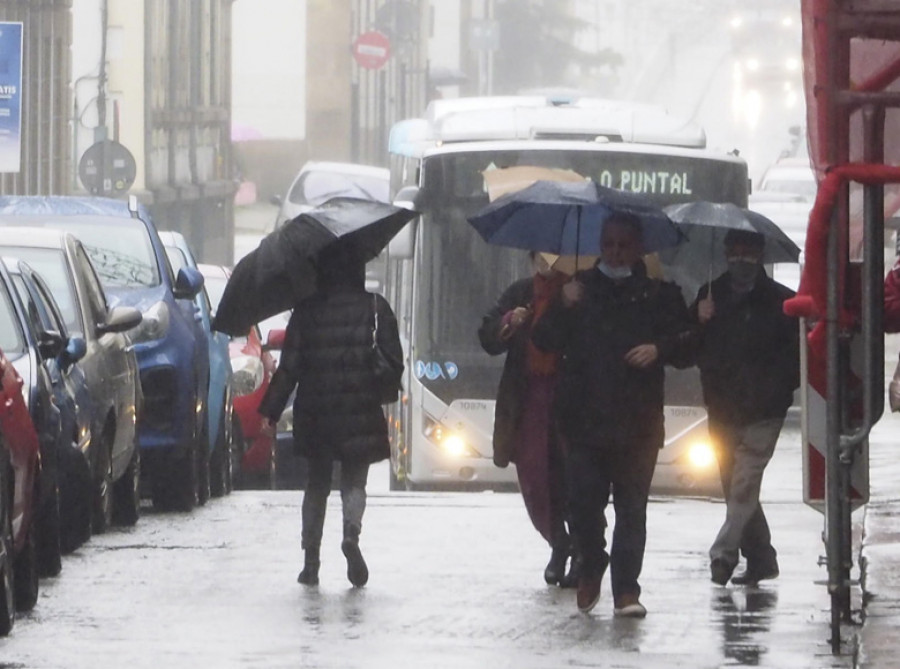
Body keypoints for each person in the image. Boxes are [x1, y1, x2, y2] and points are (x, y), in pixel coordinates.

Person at [532, 213, 693, 617]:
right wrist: (561, 305)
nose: (615, 253)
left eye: (623, 245)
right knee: (584, 504)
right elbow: (544, 338)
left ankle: (626, 590)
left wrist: (660, 348)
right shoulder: (579, 289)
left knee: (631, 509)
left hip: (637, 422)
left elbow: (687, 346)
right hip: (584, 421)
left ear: (637, 249)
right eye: (609, 245)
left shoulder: (658, 295)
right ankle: (591, 563)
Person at [258, 242, 403, 588]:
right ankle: (351, 534)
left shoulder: (306, 311)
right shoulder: (375, 307)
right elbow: (394, 360)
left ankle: (311, 561)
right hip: (361, 407)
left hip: (317, 410)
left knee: (317, 485)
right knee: (354, 481)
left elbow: (289, 367)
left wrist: (270, 410)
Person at [689, 229, 799, 587]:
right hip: (721, 407)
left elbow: (798, 358)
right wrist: (698, 321)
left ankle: (722, 556)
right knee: (735, 486)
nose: (741, 259)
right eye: (734, 252)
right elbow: (686, 351)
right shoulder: (710, 296)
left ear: (761, 254)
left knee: (743, 483)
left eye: (748, 252)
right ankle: (762, 558)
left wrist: (778, 388)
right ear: (724, 253)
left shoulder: (783, 302)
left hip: (764, 409)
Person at [478, 251, 574, 587]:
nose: (548, 264)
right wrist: (509, 322)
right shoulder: (521, 292)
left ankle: (581, 550)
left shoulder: (578, 291)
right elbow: (487, 334)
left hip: (570, 398)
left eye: (555, 257)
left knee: (572, 475)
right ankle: (558, 541)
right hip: (528, 397)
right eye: (541, 257)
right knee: (534, 475)